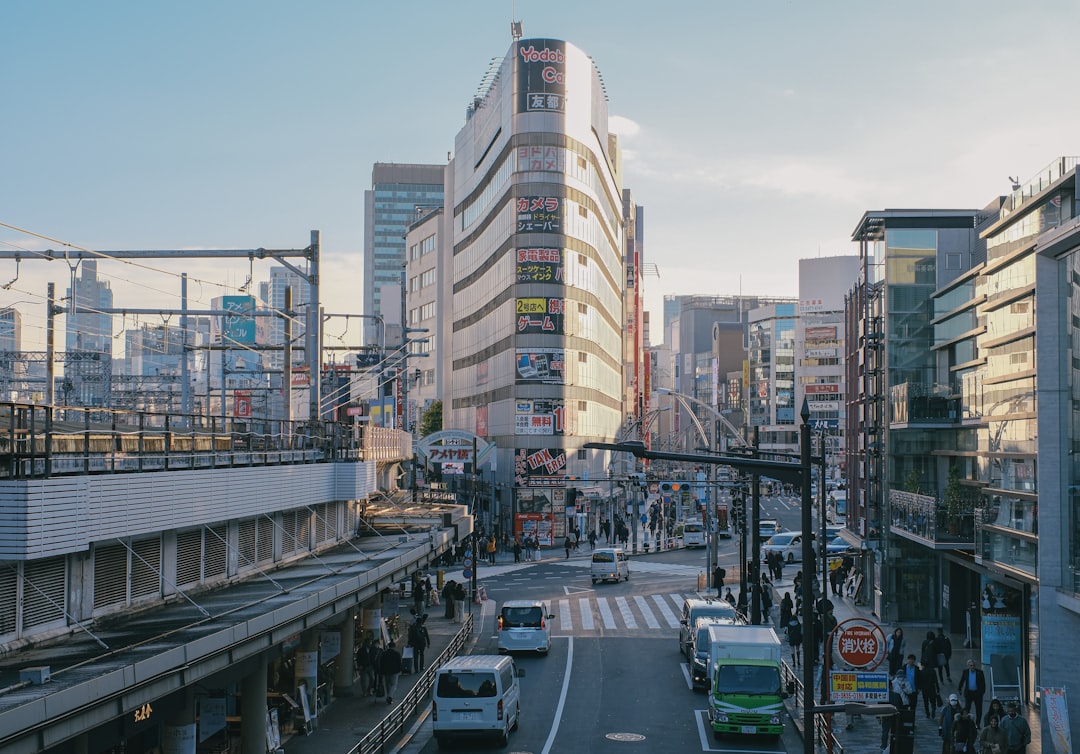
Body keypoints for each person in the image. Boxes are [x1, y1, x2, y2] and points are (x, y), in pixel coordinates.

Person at [957, 658, 986, 726]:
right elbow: (962, 680)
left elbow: (983, 683)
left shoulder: (980, 672)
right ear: (968, 666)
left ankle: (977, 724)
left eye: (973, 665)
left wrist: (982, 692)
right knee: (967, 708)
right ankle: (967, 722)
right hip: (969, 693)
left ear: (975, 666)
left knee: (979, 709)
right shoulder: (965, 672)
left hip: (977, 693)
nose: (972, 667)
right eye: (971, 665)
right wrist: (959, 688)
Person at [918, 655, 941, 719]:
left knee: (926, 702)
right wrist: (938, 689)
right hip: (932, 688)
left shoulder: (922, 672)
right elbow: (936, 680)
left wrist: (919, 688)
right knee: (933, 701)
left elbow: (920, 681)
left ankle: (927, 713)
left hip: (924, 689)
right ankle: (933, 710)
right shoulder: (933, 671)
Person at [379, 640, 402, 705]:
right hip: (394, 671)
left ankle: (388, 696)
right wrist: (400, 670)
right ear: (394, 646)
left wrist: (381, 671)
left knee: (387, 684)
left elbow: (381, 663)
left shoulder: (384, 653)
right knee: (393, 684)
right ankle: (390, 696)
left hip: (386, 671)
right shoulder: (397, 654)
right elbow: (399, 663)